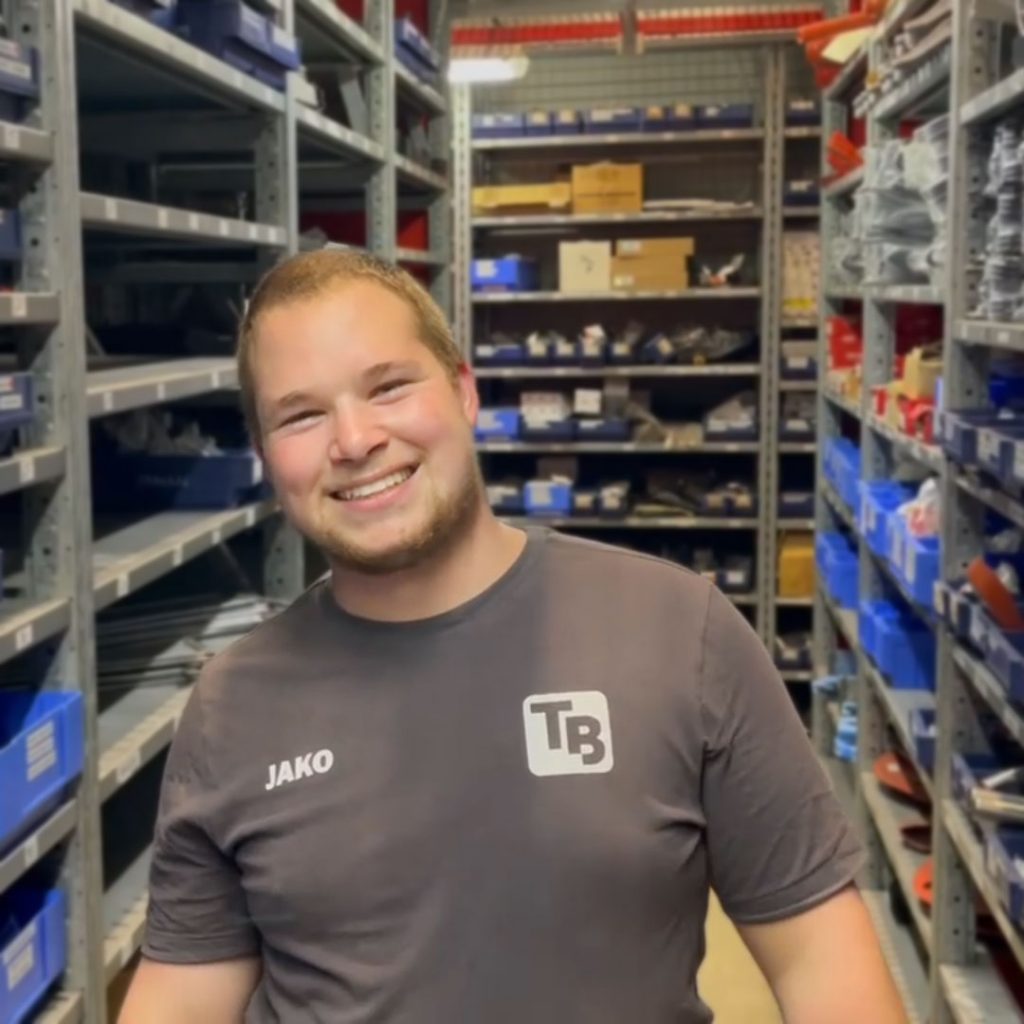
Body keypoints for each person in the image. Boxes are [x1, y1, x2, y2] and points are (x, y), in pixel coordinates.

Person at [120, 250, 905, 1024]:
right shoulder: (234, 703)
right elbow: (183, 997)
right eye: (301, 415)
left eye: (388, 386)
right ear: (264, 457)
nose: (353, 439)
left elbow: (819, 961)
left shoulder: (677, 631)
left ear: (464, 390)